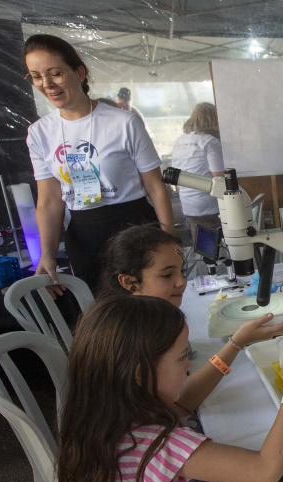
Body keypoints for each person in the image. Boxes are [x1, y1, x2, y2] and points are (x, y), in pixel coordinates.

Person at [56, 295, 283, 482]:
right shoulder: (157, 446)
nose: (189, 364)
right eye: (182, 357)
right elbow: (267, 469)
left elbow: (184, 402)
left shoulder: (95, 427)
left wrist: (236, 343)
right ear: (140, 374)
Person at [24, 35, 174, 295]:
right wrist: (45, 255)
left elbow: (156, 187)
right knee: (105, 319)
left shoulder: (123, 122)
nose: (47, 84)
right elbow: (49, 201)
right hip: (83, 235)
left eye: (55, 73)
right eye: (36, 76)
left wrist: (170, 241)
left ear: (79, 72)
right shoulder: (39, 133)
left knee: (149, 311)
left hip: (134, 229)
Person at [171, 103, 224, 240]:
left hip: (188, 205)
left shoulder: (179, 141)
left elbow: (175, 176)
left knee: (200, 248)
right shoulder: (211, 142)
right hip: (210, 206)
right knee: (217, 250)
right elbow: (219, 178)